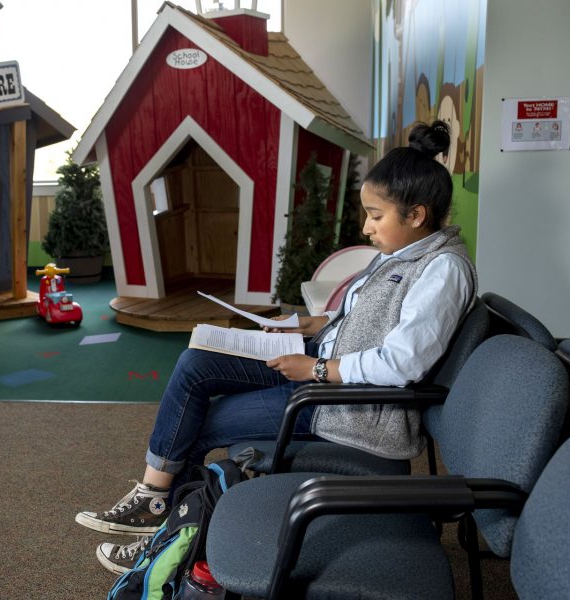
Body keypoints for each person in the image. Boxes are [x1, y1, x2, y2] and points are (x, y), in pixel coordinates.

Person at [77, 121, 478, 574]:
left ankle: (168, 539)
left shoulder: (443, 269)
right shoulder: (400, 253)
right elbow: (366, 319)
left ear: (417, 215)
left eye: (375, 215)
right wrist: (310, 322)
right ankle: (154, 501)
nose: (365, 227)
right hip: (325, 369)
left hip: (348, 408)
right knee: (196, 363)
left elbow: (403, 362)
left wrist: (316, 370)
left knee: (203, 424)